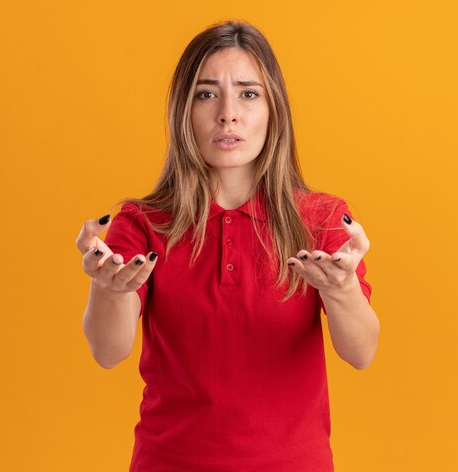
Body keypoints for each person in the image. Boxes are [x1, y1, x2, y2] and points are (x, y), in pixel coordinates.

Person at [76, 19, 380, 472]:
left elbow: (361, 353)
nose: (228, 113)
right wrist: (109, 289)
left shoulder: (320, 219)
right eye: (206, 93)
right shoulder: (142, 223)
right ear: (184, 111)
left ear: (274, 108)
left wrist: (342, 291)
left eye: (248, 93)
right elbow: (107, 352)